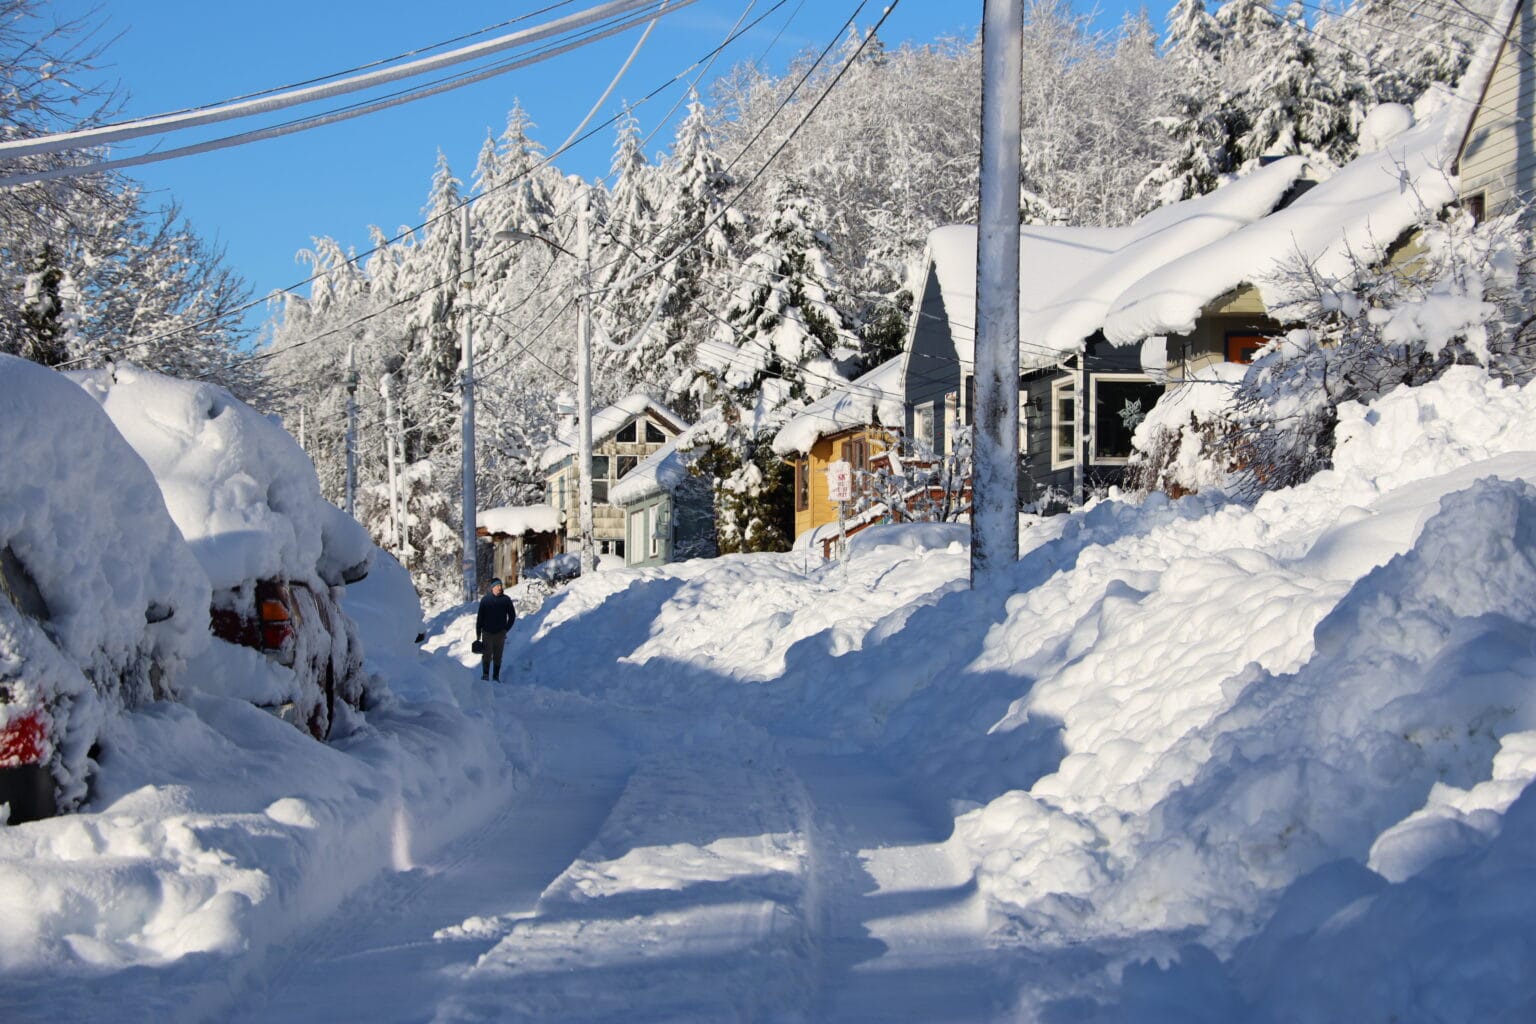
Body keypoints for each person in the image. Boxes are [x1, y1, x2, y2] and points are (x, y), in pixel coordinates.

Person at [475, 578, 516, 681]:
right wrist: (478, 633)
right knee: (487, 654)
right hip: (487, 632)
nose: (499, 587)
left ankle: (496, 676)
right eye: (497, 586)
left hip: (500, 633)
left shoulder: (506, 600)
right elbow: (480, 617)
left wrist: (506, 629)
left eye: (500, 585)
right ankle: (485, 674)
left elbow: (512, 616)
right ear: (492, 587)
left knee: (498, 655)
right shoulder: (485, 600)